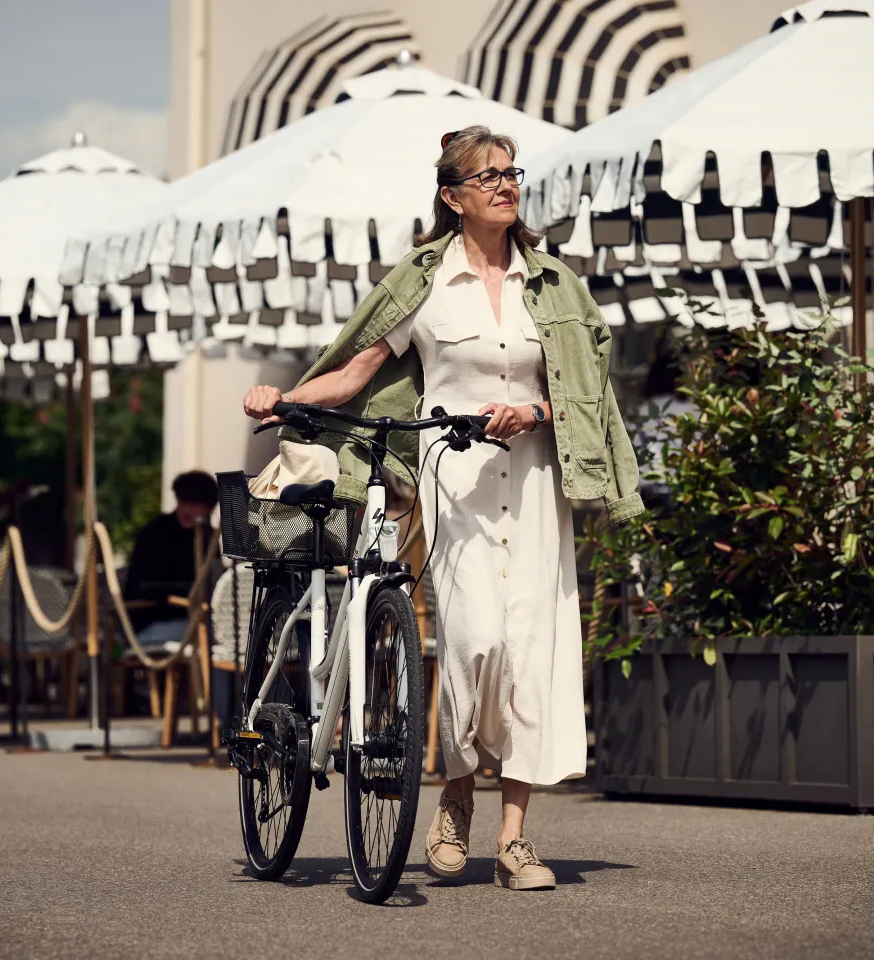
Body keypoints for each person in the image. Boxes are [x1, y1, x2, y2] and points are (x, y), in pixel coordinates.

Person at [243, 126, 644, 891]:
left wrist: (536, 413)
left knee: (531, 652)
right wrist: (284, 396)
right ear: (452, 196)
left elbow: (586, 397)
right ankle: (457, 799)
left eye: (511, 173)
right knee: (474, 645)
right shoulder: (423, 283)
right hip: (451, 486)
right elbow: (356, 370)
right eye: (486, 176)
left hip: (532, 490)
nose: (504, 185)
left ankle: (517, 840)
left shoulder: (555, 284)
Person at [124, 471, 217, 648]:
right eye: (183, 502)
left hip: (191, 620)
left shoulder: (208, 537)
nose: (187, 509)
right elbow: (139, 587)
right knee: (212, 637)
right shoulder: (155, 533)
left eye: (194, 504)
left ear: (210, 509)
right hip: (153, 624)